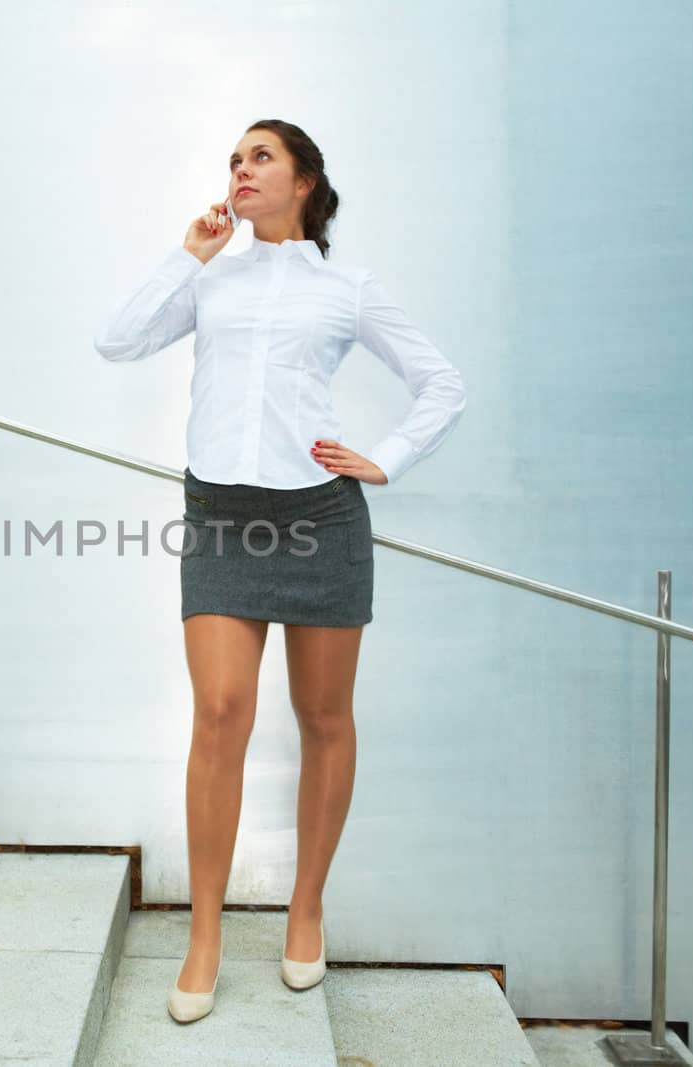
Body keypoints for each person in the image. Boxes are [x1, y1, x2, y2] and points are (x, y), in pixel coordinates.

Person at [92, 119, 467, 1024]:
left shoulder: (346, 288)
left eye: (260, 156)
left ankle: (306, 905)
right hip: (221, 518)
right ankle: (207, 933)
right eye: (234, 159)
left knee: (324, 717)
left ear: (304, 181)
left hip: (318, 520)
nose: (240, 169)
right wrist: (188, 255)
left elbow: (442, 382)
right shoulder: (211, 274)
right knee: (220, 713)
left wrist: (388, 457)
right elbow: (118, 340)